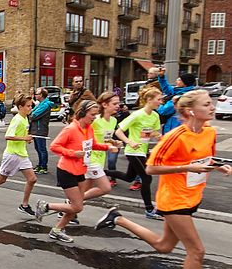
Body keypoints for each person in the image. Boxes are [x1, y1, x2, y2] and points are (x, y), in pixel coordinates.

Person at [95, 90, 232, 269]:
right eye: (207, 104)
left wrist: (216, 166)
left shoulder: (209, 132)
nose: (213, 107)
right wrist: (187, 168)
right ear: (190, 111)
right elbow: (151, 169)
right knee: (197, 251)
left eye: (211, 104)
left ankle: (117, 218)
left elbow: (205, 159)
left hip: (192, 197)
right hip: (173, 200)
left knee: (164, 246)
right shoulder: (175, 137)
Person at [34, 100, 117, 242]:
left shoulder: (89, 129)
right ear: (83, 113)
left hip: (81, 171)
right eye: (92, 114)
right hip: (67, 171)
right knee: (77, 207)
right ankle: (46, 206)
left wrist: (107, 147)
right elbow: (54, 146)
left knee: (75, 205)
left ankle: (57, 230)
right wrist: (72, 153)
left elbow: (93, 145)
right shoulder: (71, 129)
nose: (94, 117)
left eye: (96, 115)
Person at [105, 87, 164, 220]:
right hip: (133, 151)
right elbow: (118, 132)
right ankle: (149, 210)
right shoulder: (137, 114)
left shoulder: (155, 116)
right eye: (158, 99)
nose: (161, 102)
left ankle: (102, 172)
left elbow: (152, 132)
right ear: (149, 100)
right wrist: (129, 142)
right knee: (147, 178)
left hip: (142, 151)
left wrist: (159, 137)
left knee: (129, 177)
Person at [0, 93, 38, 216]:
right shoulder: (17, 119)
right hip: (12, 155)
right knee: (1, 179)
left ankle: (24, 205)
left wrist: (27, 139)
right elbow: (8, 136)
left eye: (31, 106)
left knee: (32, 179)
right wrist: (24, 138)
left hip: (22, 154)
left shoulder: (25, 118)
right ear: (20, 107)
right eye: (28, 106)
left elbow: (22, 135)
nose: (30, 108)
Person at [30, 88, 56, 174]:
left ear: (41, 95)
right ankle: (40, 164)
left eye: (37, 94)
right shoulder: (40, 104)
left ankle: (44, 166)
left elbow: (33, 116)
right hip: (36, 129)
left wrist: (30, 115)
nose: (35, 95)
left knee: (41, 148)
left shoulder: (45, 105)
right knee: (38, 148)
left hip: (40, 129)